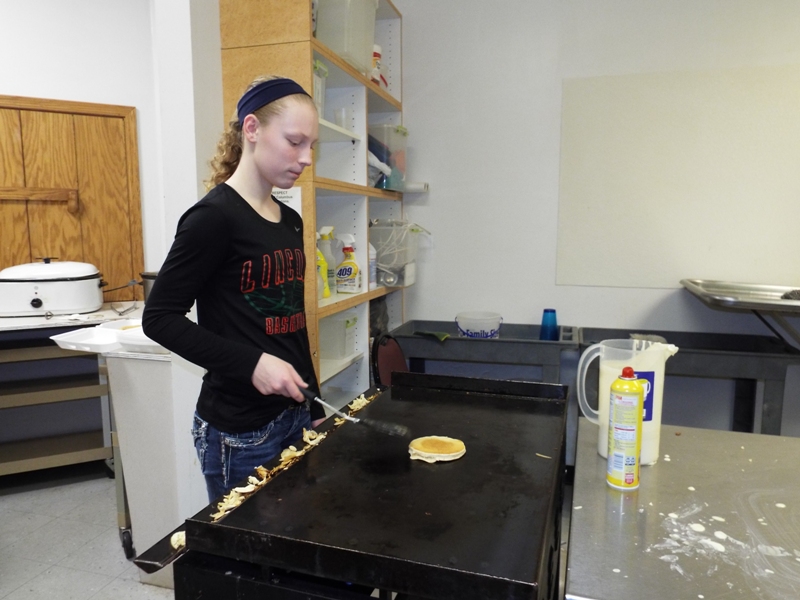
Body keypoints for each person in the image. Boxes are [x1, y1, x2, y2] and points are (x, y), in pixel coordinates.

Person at [142, 75, 323, 502]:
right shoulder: (213, 218)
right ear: (252, 129)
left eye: (311, 145)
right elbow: (159, 318)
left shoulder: (290, 220)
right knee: (245, 544)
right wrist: (252, 363)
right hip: (240, 433)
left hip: (294, 415)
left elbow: (292, 322)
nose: (306, 158)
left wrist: (313, 404)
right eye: (294, 141)